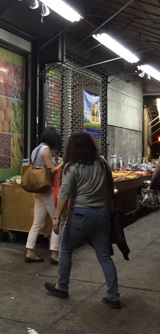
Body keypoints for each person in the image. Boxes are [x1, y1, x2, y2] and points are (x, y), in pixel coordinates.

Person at [44, 131, 121, 309]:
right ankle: (114, 296)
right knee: (104, 256)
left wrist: (56, 218)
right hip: (101, 214)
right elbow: (110, 189)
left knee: (64, 250)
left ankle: (61, 286)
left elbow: (64, 194)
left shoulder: (73, 167)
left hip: (80, 214)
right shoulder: (102, 163)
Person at [25, 127, 62, 264]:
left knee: (37, 223)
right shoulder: (46, 150)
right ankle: (54, 253)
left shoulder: (35, 150)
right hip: (47, 190)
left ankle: (30, 252)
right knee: (58, 221)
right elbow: (52, 171)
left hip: (37, 191)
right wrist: (62, 164)